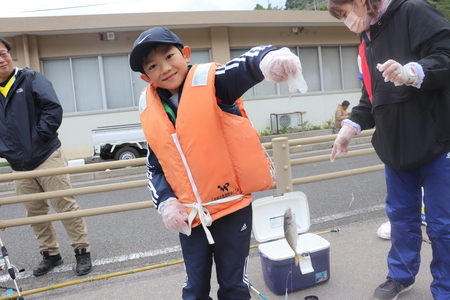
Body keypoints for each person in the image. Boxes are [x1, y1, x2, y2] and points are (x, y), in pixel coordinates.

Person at [129, 27, 307, 300]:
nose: (164, 68)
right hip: (191, 217)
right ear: (146, 76)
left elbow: (244, 66)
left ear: (185, 54)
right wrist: (166, 202)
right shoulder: (151, 109)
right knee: (195, 289)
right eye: (153, 65)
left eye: (169, 56)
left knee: (234, 285)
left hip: (233, 209)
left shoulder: (214, 83)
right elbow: (155, 166)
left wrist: (269, 58)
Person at [327, 0, 450, 299]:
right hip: (395, 147)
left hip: (437, 141)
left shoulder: (413, 10)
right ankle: (401, 275)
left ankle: (445, 288)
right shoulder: (368, 39)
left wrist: (413, 72)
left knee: (442, 224)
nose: (348, 21)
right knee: (401, 218)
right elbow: (371, 95)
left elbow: (445, 54)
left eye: (346, 13)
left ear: (360, 2)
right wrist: (349, 128)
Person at [0, 37, 93, 277]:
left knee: (65, 205)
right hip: (18, 165)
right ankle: (50, 254)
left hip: (46, 154)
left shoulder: (30, 78)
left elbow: (53, 108)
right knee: (35, 213)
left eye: (3, 53)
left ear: (10, 54)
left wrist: (38, 138)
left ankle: (81, 251)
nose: (1, 60)